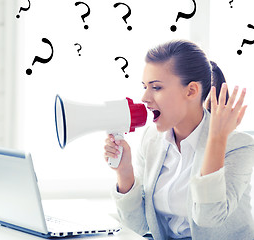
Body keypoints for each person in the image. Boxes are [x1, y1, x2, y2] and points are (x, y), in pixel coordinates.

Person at [104, 39, 254, 240]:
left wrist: (217, 138)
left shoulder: (238, 146)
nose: (144, 97)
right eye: (145, 86)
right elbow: (138, 226)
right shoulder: (151, 140)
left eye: (156, 87)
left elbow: (208, 217)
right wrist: (124, 173)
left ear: (191, 91)